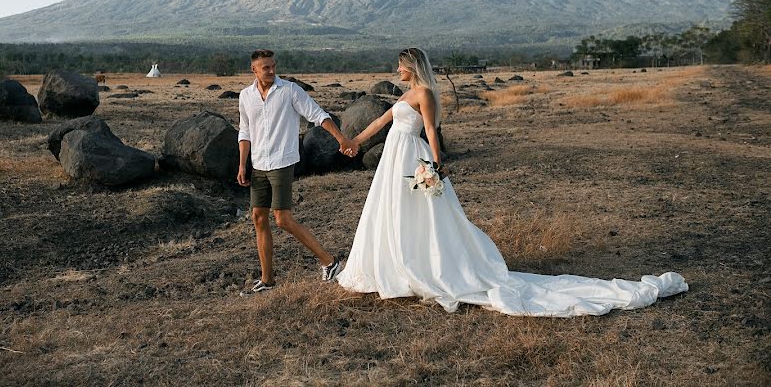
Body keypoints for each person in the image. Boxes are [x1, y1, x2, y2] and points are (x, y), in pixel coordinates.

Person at [336, 47, 688, 315]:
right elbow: (382, 121)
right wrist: (353, 142)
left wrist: (436, 166)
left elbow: (430, 130)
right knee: (393, 211)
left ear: (412, 67)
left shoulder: (424, 94)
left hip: (413, 157)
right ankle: (396, 261)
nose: (395, 70)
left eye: (400, 65)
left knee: (425, 215)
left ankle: (426, 265)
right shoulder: (403, 95)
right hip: (393, 159)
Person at [237, 49, 353, 295]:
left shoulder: (290, 90)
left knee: (282, 219)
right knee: (259, 217)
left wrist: (341, 138)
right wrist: (242, 164)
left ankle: (330, 262)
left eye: (272, 66)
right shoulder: (246, 96)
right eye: (265, 67)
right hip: (258, 164)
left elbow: (318, 115)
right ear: (254, 70)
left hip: (281, 161)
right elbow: (244, 131)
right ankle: (267, 281)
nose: (270, 70)